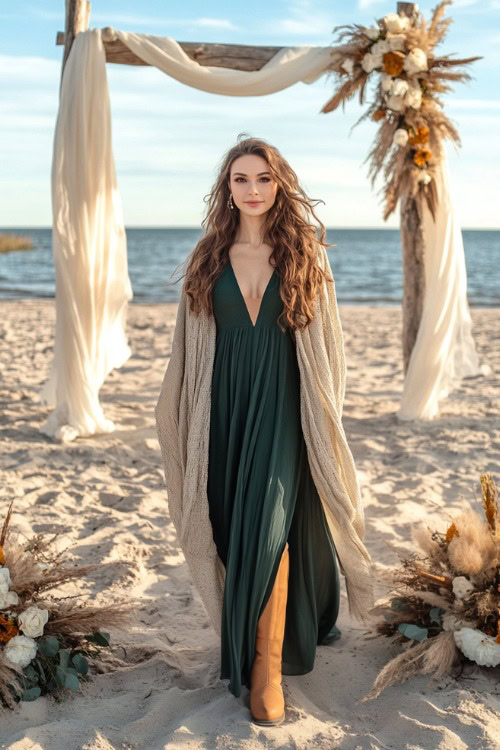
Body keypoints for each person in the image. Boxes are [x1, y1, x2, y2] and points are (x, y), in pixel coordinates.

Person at [155, 134, 373, 727]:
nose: (252, 190)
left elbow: (330, 352)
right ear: (226, 190)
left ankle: (267, 667)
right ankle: (258, 641)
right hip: (222, 412)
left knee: (272, 526)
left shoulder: (307, 254)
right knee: (234, 533)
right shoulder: (208, 255)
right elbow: (188, 351)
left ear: (281, 185)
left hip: (283, 409)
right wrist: (175, 415)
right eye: (240, 180)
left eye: (263, 179)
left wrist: (322, 420)